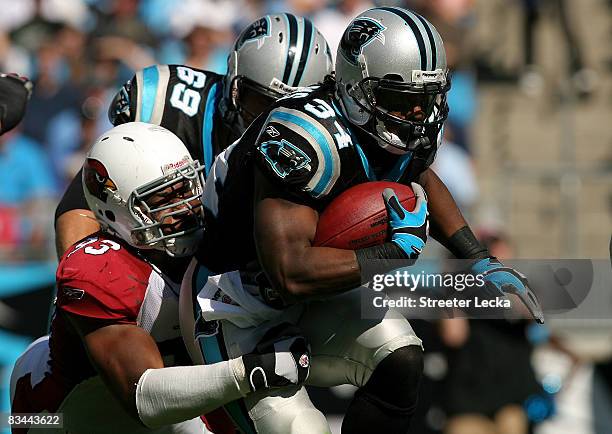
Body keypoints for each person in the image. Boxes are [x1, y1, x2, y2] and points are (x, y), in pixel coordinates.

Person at [183, 6, 544, 433]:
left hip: (313, 296)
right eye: (401, 99)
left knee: (401, 357)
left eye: (424, 99)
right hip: (234, 305)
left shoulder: (398, 127)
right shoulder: (302, 138)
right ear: (355, 88)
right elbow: (289, 273)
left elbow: (421, 172)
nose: (416, 114)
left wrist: (479, 258)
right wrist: (388, 255)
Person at [10, 122, 310, 434]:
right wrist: (248, 372)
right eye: (161, 200)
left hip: (176, 397)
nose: (185, 209)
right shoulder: (98, 270)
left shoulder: (212, 238)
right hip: (63, 416)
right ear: (115, 210)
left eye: (185, 189)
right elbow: (145, 398)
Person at [54, 13, 333, 257]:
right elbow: (88, 202)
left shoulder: (329, 144)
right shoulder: (168, 103)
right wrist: (88, 285)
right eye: (261, 104)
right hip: (159, 277)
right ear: (234, 83)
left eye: (291, 112)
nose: (273, 125)